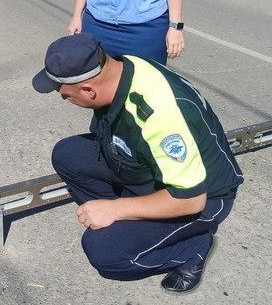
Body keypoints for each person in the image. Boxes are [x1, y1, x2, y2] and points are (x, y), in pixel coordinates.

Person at [32, 33, 243, 293]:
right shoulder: (119, 69)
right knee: (68, 155)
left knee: (105, 252)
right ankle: (135, 223)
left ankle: (194, 248)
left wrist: (116, 209)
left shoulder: (160, 114)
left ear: (89, 89)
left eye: (65, 95)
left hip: (203, 197)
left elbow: (191, 199)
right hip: (148, 167)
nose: (64, 100)